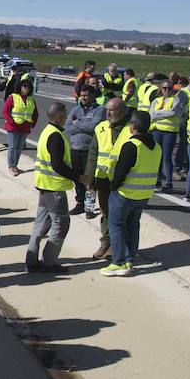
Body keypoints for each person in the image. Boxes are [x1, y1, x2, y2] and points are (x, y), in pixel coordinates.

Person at [103, 111, 161, 276]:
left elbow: (120, 172)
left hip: (125, 193)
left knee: (116, 226)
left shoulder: (131, 145)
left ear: (133, 126)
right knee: (133, 226)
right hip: (143, 195)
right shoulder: (156, 146)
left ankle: (119, 262)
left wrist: (113, 187)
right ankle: (129, 260)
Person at [28, 102, 82, 275]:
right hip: (53, 187)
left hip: (44, 184)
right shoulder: (56, 136)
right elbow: (58, 165)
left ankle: (31, 261)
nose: (66, 118)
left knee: (41, 223)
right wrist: (78, 177)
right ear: (58, 116)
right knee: (61, 224)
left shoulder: (47, 131)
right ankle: (49, 262)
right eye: (64, 115)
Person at [85, 96, 130, 260]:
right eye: (107, 110)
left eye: (112, 110)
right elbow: (93, 154)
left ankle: (117, 247)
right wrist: (90, 179)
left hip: (122, 181)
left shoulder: (129, 129)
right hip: (103, 179)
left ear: (122, 111)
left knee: (120, 216)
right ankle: (105, 243)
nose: (108, 113)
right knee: (105, 214)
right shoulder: (101, 128)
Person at [65, 83, 105, 215]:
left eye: (86, 95)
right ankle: (80, 203)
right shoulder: (76, 110)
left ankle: (89, 207)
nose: (83, 98)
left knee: (90, 180)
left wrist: (78, 124)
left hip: (89, 150)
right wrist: (82, 126)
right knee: (78, 178)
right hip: (75, 148)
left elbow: (94, 127)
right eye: (81, 95)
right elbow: (68, 127)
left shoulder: (99, 110)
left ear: (93, 96)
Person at [148, 75, 189, 192]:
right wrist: (162, 113)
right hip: (157, 130)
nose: (167, 90)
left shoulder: (176, 99)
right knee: (157, 156)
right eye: (164, 88)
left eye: (169, 88)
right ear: (160, 89)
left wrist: (159, 113)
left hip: (170, 131)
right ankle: (157, 179)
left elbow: (172, 112)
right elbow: (151, 114)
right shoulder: (156, 100)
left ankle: (169, 182)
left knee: (167, 157)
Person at [2, 78, 38, 176]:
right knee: (12, 147)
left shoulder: (31, 99)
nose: (26, 89)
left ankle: (15, 166)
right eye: (24, 86)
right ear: (20, 87)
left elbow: (35, 113)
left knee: (19, 147)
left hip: (25, 127)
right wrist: (11, 121)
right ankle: (11, 166)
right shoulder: (13, 97)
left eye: (29, 87)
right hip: (13, 126)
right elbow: (5, 110)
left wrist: (33, 123)